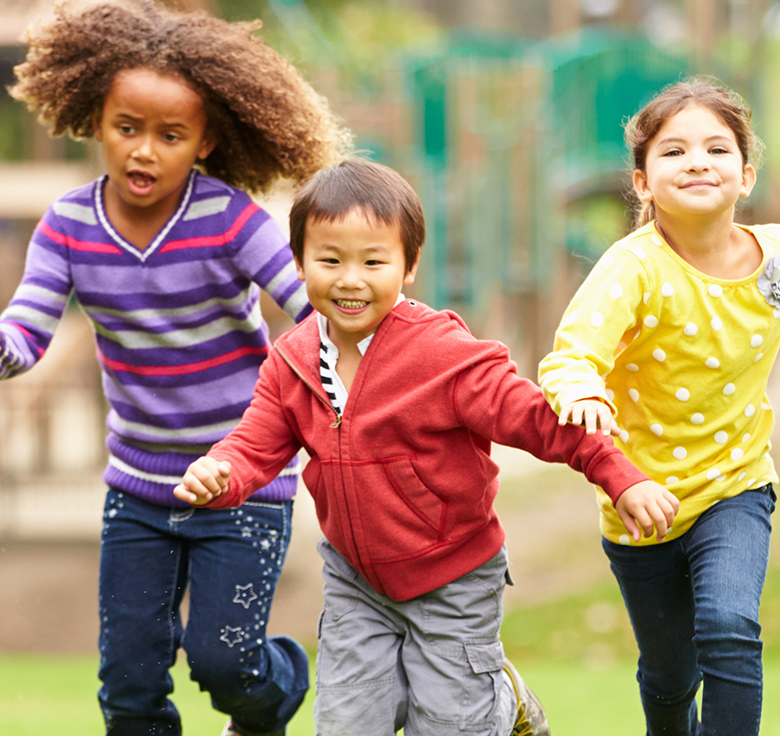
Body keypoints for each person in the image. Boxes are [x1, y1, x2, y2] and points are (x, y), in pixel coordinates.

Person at [0, 2, 344, 734]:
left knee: (226, 664)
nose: (144, 152)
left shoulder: (230, 220)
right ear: (96, 121)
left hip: (244, 485)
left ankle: (280, 693)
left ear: (205, 140)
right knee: (128, 683)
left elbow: (309, 308)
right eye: (128, 129)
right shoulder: (67, 226)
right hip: (139, 493)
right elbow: (29, 325)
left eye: (169, 135)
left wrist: (331, 379)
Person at [174, 158, 670, 736]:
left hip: (453, 576)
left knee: (451, 726)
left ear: (408, 266)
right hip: (356, 578)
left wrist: (617, 472)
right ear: (300, 262)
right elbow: (255, 444)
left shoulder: (443, 356)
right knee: (347, 726)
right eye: (329, 260)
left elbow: (537, 420)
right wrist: (221, 474)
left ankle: (500, 703)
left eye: (373, 261)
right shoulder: (291, 360)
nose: (350, 279)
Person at [537, 77, 780, 736]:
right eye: (674, 152)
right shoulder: (632, 270)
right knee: (671, 673)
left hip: (737, 485)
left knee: (730, 628)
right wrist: (584, 390)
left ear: (746, 175)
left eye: (717, 149)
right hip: (641, 502)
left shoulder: (779, 259)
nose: (698, 161)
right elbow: (571, 355)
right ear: (643, 182)